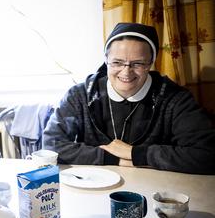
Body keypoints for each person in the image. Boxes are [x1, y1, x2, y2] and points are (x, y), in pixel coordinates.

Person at [43, 22, 215, 174]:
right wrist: (113, 158)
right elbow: (51, 145)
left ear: (151, 63)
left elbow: (207, 155)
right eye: (117, 62)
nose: (126, 72)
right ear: (106, 60)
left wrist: (135, 154)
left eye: (138, 63)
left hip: (153, 188)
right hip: (91, 185)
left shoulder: (175, 99)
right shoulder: (80, 95)